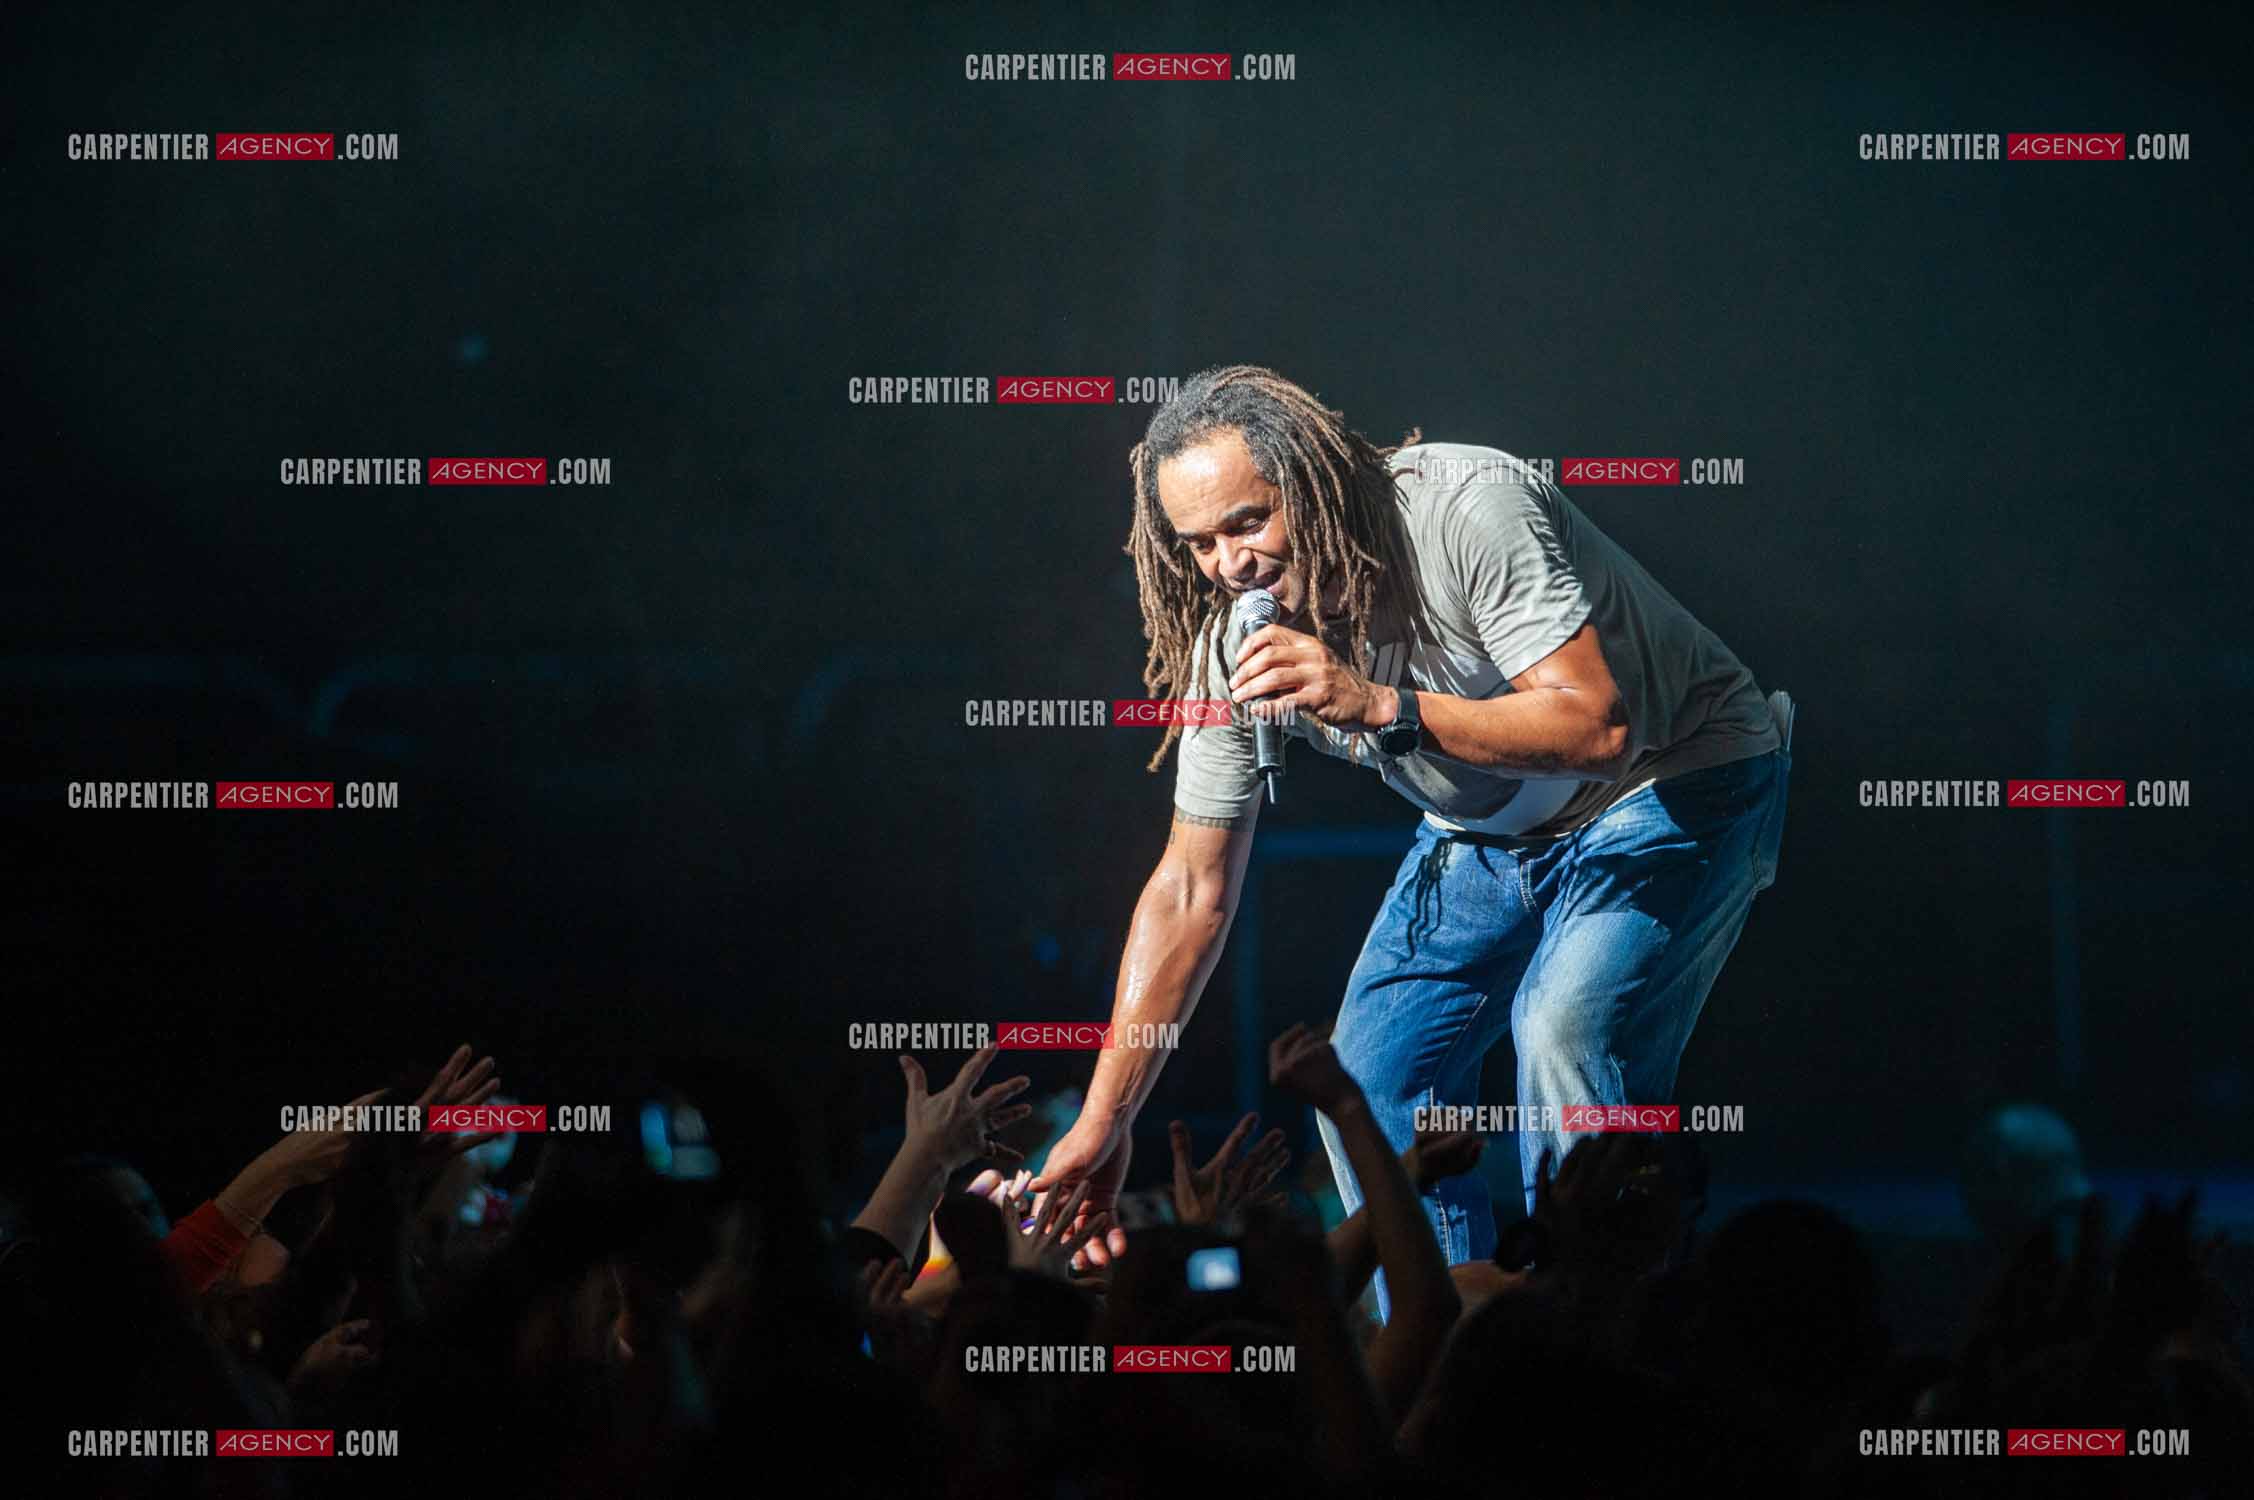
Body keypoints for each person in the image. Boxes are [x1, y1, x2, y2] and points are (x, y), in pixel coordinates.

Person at [1033, 365, 1793, 1316]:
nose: (1231, 564)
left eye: (1248, 523)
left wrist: (1378, 704)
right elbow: (1190, 887)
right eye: (1199, 545)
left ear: (1312, 485)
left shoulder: (1466, 508)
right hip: (1488, 826)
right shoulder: (1238, 647)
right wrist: (1108, 1122)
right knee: (1368, 1074)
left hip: (1670, 775)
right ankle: (1439, 1344)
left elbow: (1599, 727)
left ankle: (1598, 1331)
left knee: (1562, 1026)